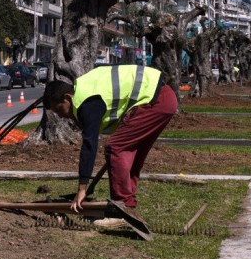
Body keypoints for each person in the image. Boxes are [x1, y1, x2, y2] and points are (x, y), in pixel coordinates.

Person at [42, 63, 178, 215]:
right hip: (163, 99)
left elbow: (89, 145)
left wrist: (82, 188)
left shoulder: (87, 102)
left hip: (155, 101)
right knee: (131, 152)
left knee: (115, 147)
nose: (61, 116)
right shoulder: (85, 89)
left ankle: (121, 207)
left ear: (68, 97)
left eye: (60, 109)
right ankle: (128, 205)